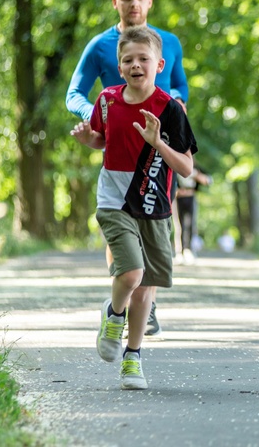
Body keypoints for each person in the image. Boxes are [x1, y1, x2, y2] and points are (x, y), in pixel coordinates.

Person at [70, 25, 198, 390]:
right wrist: (86, 140)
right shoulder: (107, 101)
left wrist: (158, 143)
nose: (136, 64)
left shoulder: (170, 109)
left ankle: (133, 356)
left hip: (154, 203)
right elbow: (101, 139)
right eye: (128, 60)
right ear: (119, 65)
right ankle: (114, 315)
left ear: (160, 65)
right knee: (130, 273)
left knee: (146, 288)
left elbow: (186, 168)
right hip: (114, 200)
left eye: (144, 59)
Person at [66, 0, 189, 337]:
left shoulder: (169, 43)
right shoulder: (100, 45)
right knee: (121, 233)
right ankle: (125, 290)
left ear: (149, 2)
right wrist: (99, 117)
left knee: (152, 228)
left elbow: (180, 84)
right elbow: (74, 93)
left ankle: (142, 304)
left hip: (159, 151)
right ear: (115, 3)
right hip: (118, 148)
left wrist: (178, 106)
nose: (133, 3)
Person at [175, 166, 212, 265]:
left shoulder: (196, 168)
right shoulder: (175, 165)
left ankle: (189, 250)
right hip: (178, 199)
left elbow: (208, 180)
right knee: (179, 225)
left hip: (191, 198)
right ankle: (180, 251)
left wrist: (197, 176)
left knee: (191, 224)